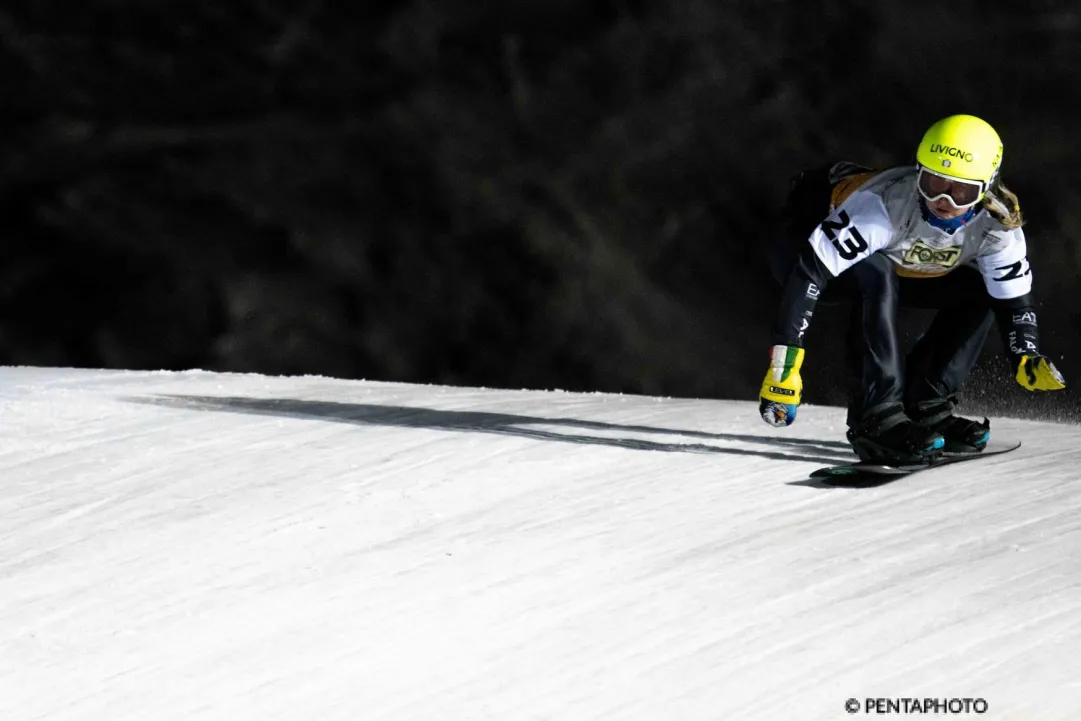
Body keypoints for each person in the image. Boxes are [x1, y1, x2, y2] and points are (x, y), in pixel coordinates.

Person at [758, 114, 1066, 464]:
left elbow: (1011, 300)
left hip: (897, 259)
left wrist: (1025, 353)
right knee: (876, 271)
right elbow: (808, 275)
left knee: (981, 286)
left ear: (987, 188)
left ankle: (925, 402)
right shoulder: (882, 205)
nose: (943, 201)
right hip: (803, 248)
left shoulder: (998, 225)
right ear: (918, 172)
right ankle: (875, 418)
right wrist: (783, 370)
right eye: (933, 183)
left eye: (961, 190)